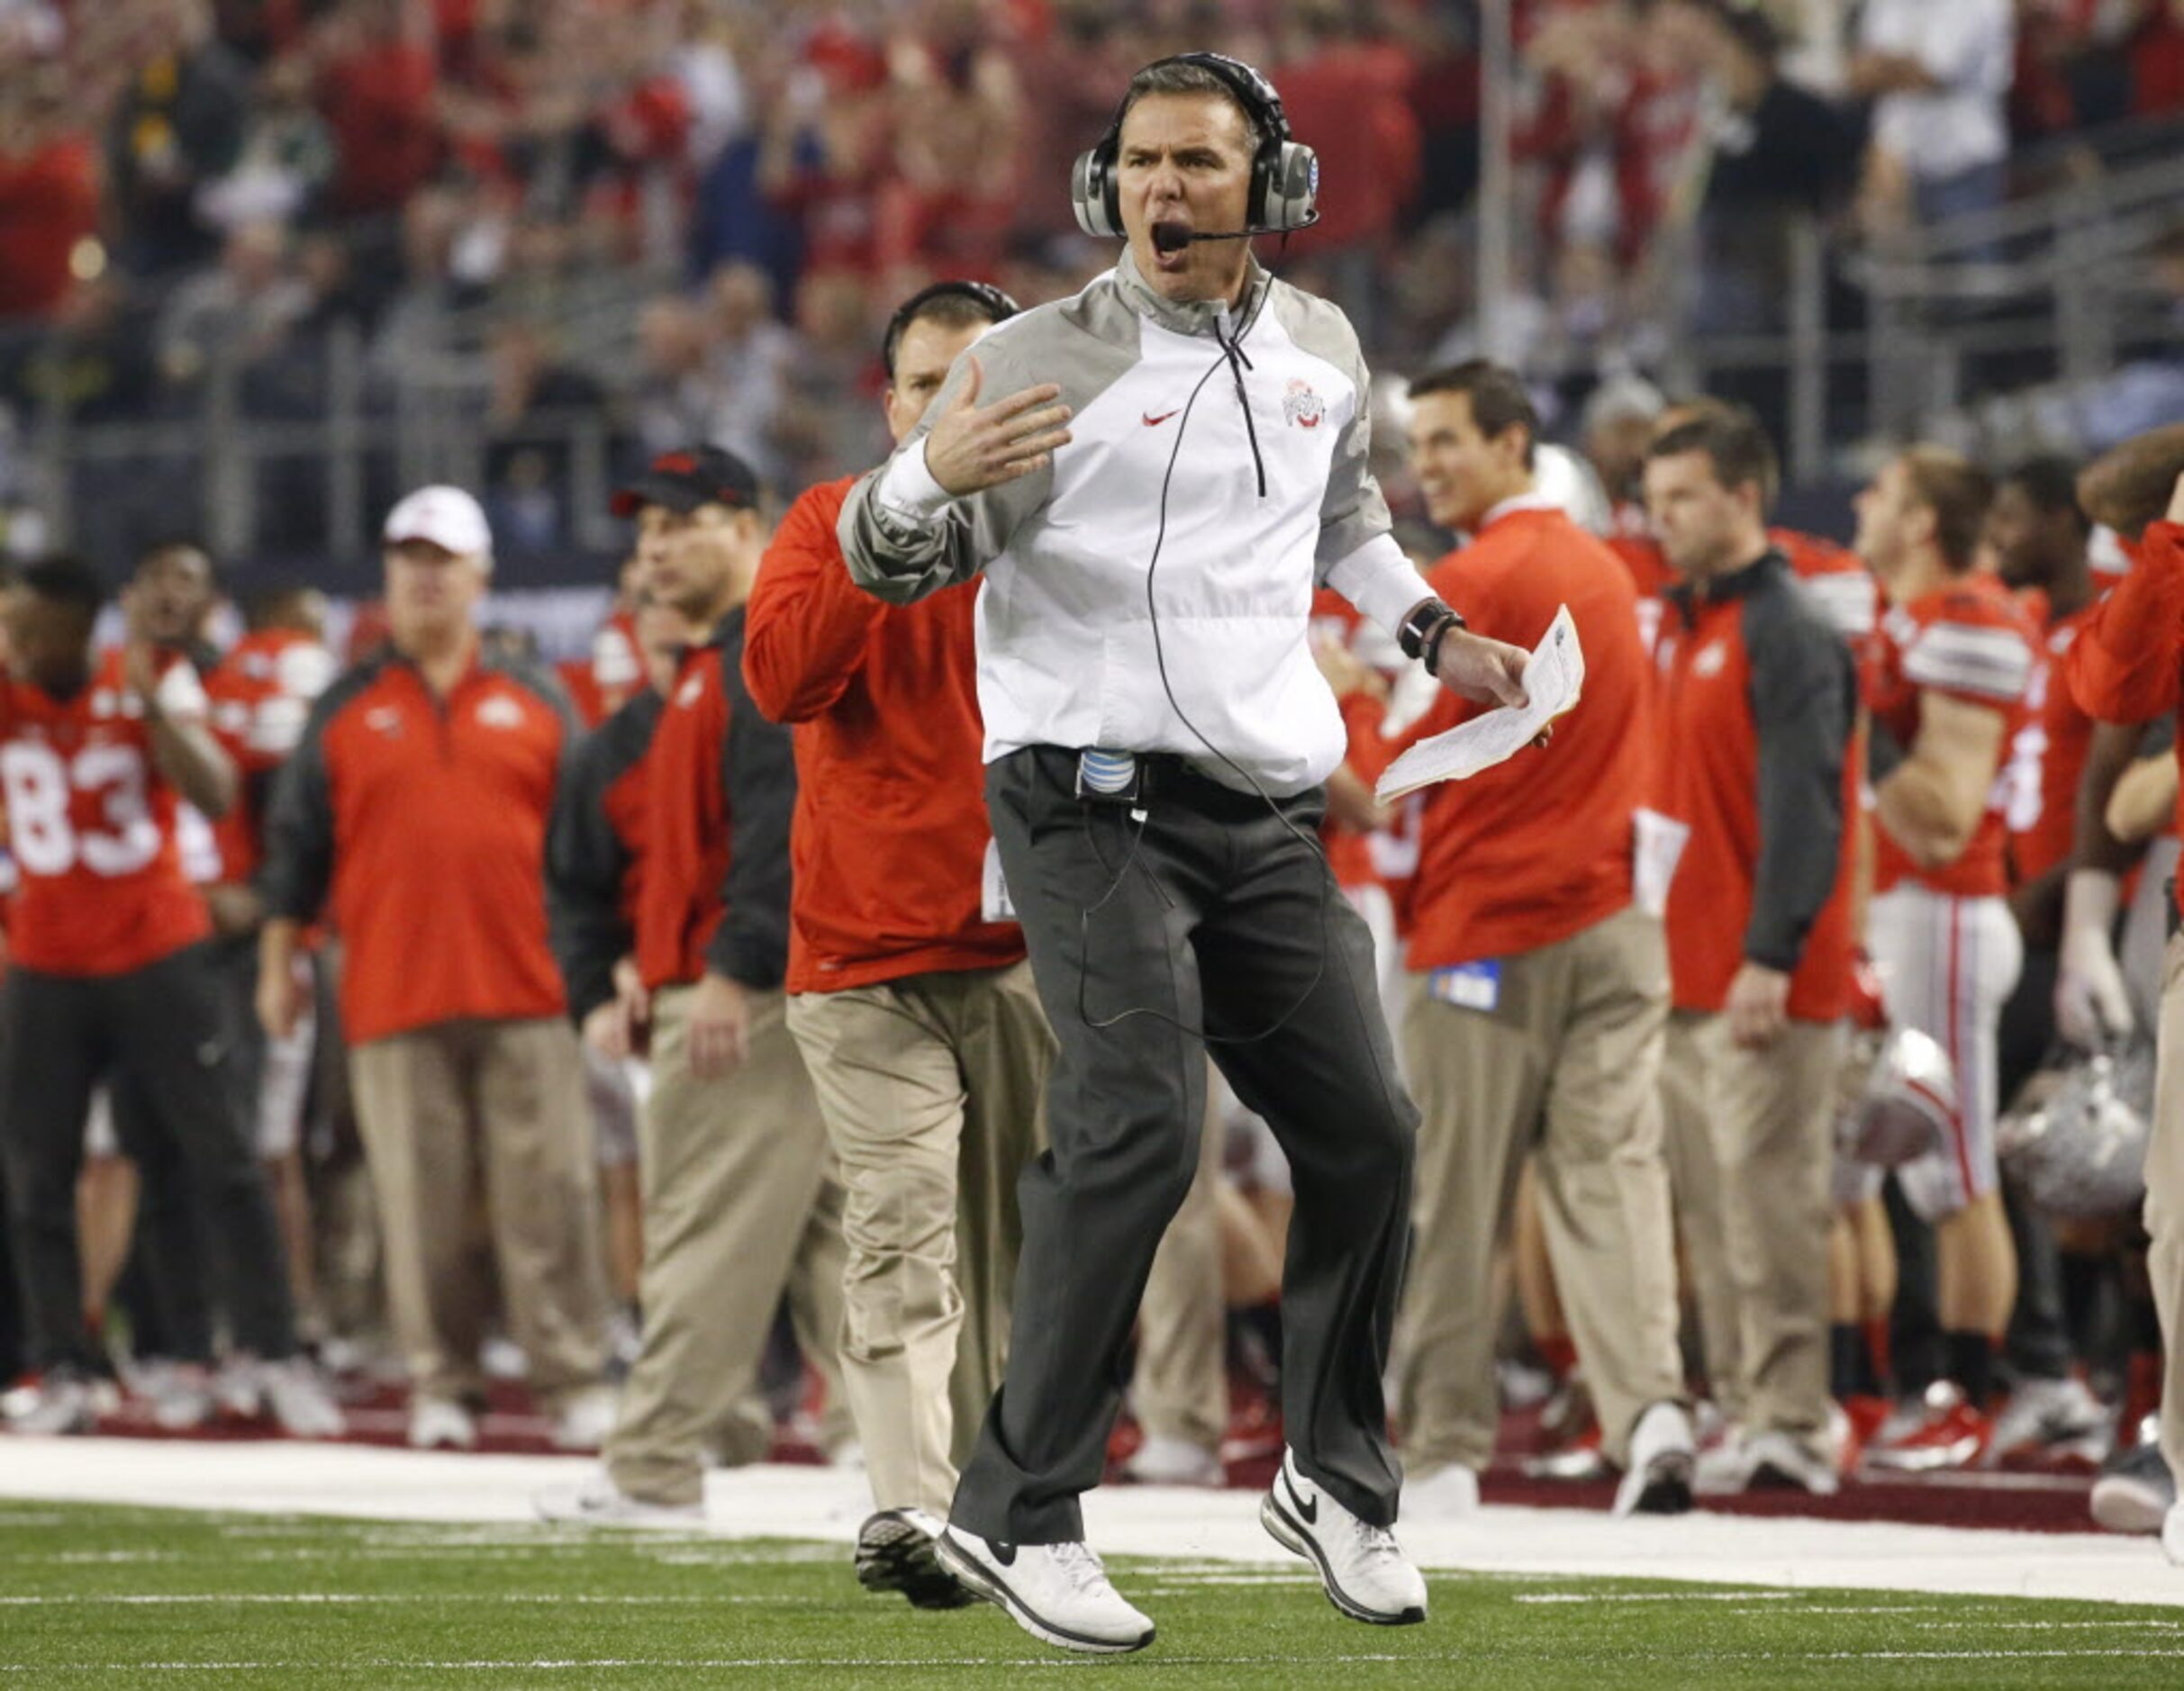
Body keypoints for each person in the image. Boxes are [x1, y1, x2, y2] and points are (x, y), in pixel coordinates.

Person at [838, 51, 1533, 1653]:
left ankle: (1336, 1477)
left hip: (1261, 802)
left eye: (1197, 166)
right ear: (1106, 185)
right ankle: (1023, 1507)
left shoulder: (1323, 345)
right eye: (1141, 163)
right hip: (1082, 797)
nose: (1163, 190)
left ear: (1271, 188)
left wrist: (1438, 636)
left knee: (1367, 1128)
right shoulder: (1032, 356)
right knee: (1140, 1122)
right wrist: (919, 473)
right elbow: (896, 561)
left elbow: (1344, 517)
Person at [743, 281, 1053, 1608]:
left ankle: (1005, 1507)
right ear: (891, 404)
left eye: (978, 379)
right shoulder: (824, 521)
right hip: (862, 960)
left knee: (1022, 1253)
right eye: (928, 384)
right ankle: (908, 1503)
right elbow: (781, 679)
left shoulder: (1060, 527)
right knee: (901, 1231)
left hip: (1032, 948)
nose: (951, 404)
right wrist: (905, 510)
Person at [1373, 360, 1694, 1523]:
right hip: (1614, 920)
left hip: (1486, 932)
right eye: (1417, 444)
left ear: (1515, 442)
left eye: (1449, 440)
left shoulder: (1461, 582)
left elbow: (1374, 785)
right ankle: (1649, 1407)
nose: (1427, 465)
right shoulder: (1609, 573)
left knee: (1456, 1196)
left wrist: (1320, 702)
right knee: (1611, 1177)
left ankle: (1447, 1446)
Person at [258, 485, 615, 1452]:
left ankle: (571, 1376)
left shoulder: (539, 700)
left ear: (480, 576)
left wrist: (604, 966)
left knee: (550, 1198)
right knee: (418, 1212)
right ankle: (443, 1386)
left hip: (532, 989)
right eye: (408, 557)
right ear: (386, 573)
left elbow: (590, 851)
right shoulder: (344, 706)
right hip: (393, 992)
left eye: (442, 558)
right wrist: (276, 963)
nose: (424, 575)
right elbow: (293, 853)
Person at [535, 447, 848, 1528]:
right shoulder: (704, 674)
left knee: (704, 1232)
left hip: (746, 1000)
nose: (653, 548)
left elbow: (780, 837)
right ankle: (888, 1457)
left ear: (747, 524)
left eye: (679, 523)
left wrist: (729, 971)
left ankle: (655, 1463)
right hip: (768, 988)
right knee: (834, 1239)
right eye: (644, 531)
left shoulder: (756, 658)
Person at [0, 555, 334, 1437]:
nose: (22, 646)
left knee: (216, 1156)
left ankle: (270, 1349)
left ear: (81, 630)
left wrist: (151, 702)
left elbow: (216, 788)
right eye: (13, 629)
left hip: (155, 952)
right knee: (39, 1176)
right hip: (44, 960)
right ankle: (67, 1365)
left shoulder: (143, 678)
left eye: (37, 631)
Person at [1643, 406, 1857, 1494]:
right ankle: (1740, 1405)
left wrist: (1771, 953)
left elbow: (1807, 807)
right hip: (1686, 968)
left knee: (1769, 1209)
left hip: (1762, 974)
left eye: (1682, 497)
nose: (1660, 518)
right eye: (1655, 497)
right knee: (1714, 1212)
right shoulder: (1687, 623)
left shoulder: (1788, 629)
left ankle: (1791, 1420)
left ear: (1743, 496)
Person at [1856, 447, 2037, 1469]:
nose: (1858, 502)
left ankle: (1974, 1395)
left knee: (1956, 1166)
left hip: (1948, 904)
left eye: (1879, 492)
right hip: (1905, 909)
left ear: (1922, 521)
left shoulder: (1967, 618)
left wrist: (1854, 709)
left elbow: (1938, 818)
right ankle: (1918, 1387)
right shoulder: (1914, 618)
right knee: (1910, 1172)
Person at [2061, 449, 2184, 1560]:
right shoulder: (2161, 555)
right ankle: (2168, 1440)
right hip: (2165, 912)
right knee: (2169, 1208)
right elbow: (2113, 714)